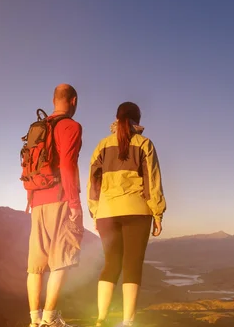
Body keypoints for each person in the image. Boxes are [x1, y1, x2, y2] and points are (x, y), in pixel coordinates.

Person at [87, 101, 167, 327]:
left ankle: (101, 319)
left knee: (111, 264)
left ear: (117, 118)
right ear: (138, 121)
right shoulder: (145, 144)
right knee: (132, 265)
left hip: (106, 213)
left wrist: (95, 212)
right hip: (137, 212)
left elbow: (93, 182)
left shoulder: (101, 146)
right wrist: (158, 214)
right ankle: (127, 322)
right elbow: (152, 183)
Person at [26, 84, 84, 327]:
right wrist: (74, 203)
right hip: (59, 198)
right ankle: (50, 320)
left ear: (53, 100)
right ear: (74, 101)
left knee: (35, 266)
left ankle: (35, 320)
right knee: (61, 259)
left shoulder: (38, 128)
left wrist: (31, 200)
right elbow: (68, 164)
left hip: (36, 199)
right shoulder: (71, 126)